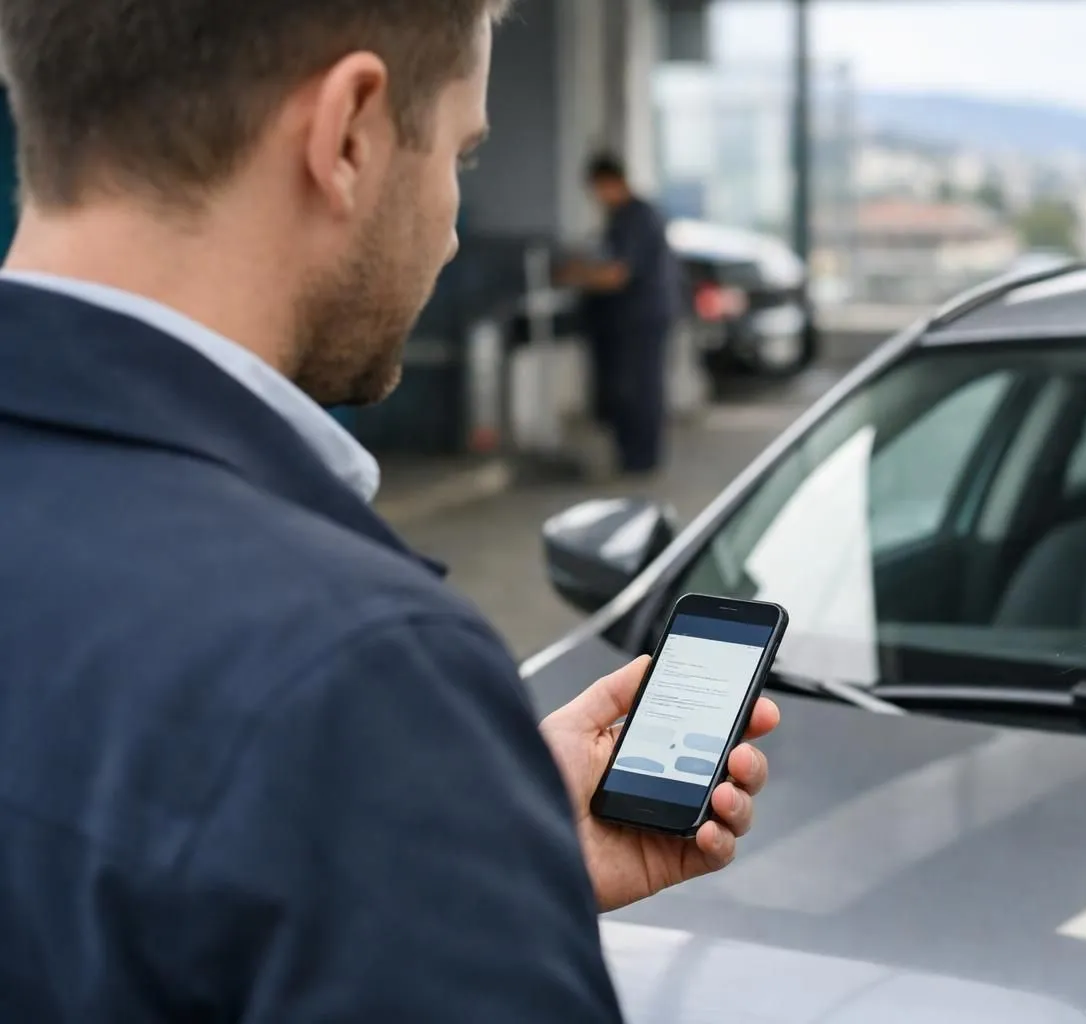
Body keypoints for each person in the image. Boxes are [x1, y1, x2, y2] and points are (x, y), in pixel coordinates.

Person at [0, 2, 778, 1021]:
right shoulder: (354, 673)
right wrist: (418, 806)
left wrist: (471, 838)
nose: (453, 228)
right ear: (351, 131)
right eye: (459, 152)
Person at [561, 152, 683, 478]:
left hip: (638, 320)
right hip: (634, 319)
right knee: (633, 387)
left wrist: (575, 276)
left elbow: (617, 274)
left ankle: (640, 459)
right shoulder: (629, 217)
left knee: (637, 388)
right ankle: (635, 457)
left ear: (609, 183)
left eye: (596, 190)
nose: (596, 199)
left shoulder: (634, 218)